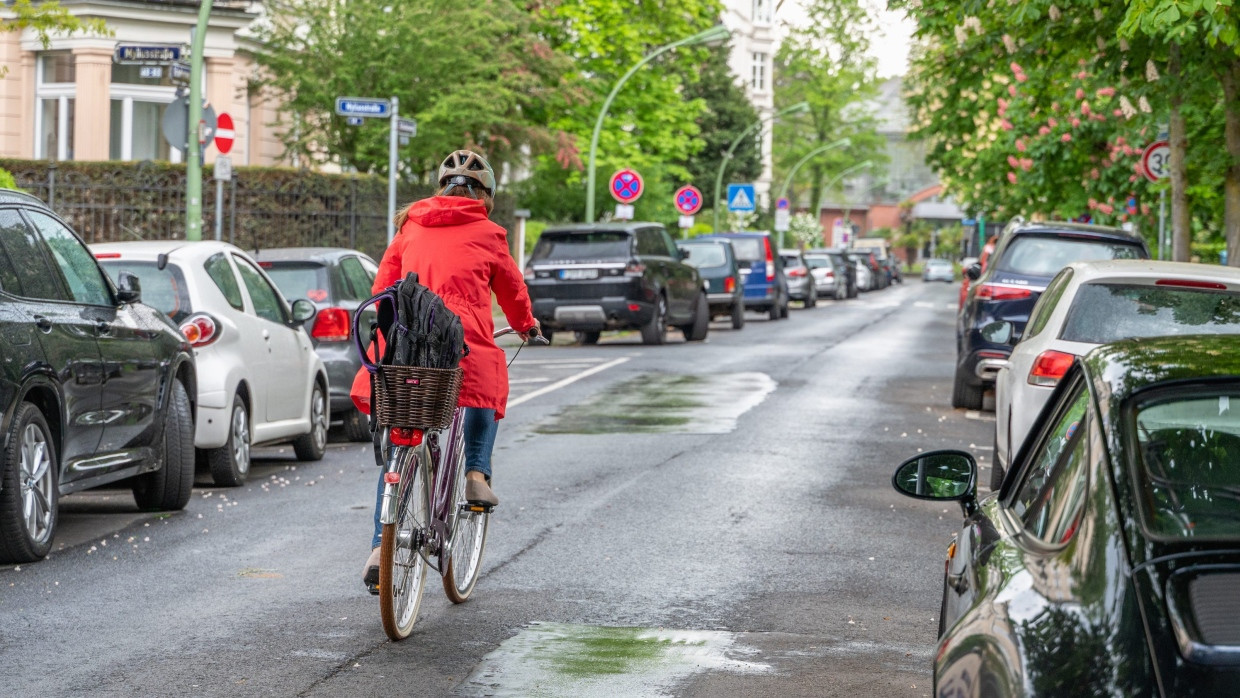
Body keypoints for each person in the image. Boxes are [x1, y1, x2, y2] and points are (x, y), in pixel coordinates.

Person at [352, 150, 538, 590]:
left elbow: (382, 287)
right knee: (486, 384)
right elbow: (512, 290)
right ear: (484, 196)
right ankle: (476, 474)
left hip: (410, 338)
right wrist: (526, 325)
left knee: (403, 435)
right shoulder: (489, 233)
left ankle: (380, 547)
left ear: (440, 189)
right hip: (462, 338)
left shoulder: (411, 225)